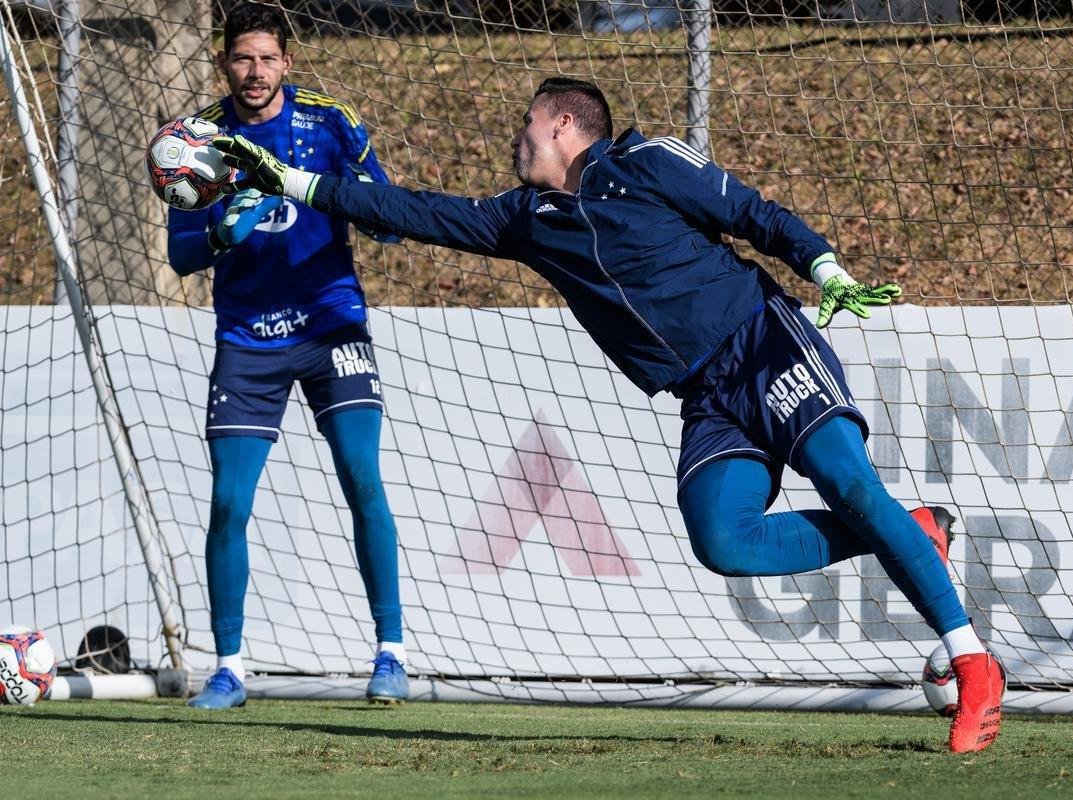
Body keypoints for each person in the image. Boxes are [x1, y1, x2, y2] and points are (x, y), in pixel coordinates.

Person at [213, 77, 1005, 751]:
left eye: (526, 125)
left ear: (563, 123)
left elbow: (754, 213)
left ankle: (972, 664)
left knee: (846, 481)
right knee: (724, 541)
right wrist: (287, 178)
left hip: (764, 341)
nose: (515, 141)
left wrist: (823, 264)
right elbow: (414, 209)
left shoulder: (645, 161)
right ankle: (915, 532)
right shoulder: (524, 219)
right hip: (706, 397)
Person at [166, 2, 408, 709]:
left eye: (268, 58)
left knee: (362, 475)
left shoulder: (331, 122)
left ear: (288, 64)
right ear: (223, 63)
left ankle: (391, 653)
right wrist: (219, 235)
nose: (255, 71)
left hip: (332, 324)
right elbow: (182, 254)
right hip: (247, 340)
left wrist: (360, 196)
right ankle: (230, 667)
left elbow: (391, 223)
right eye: (242, 58)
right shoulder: (197, 140)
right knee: (227, 503)